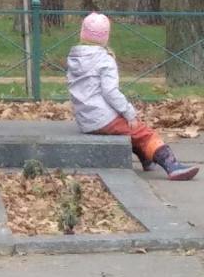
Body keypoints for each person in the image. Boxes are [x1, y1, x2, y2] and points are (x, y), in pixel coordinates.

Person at [67, 12, 198, 180]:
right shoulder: (104, 59)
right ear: (106, 37)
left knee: (129, 130)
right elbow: (110, 92)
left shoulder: (74, 57)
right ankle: (172, 165)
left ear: (81, 33)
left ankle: (147, 160)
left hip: (85, 118)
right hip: (103, 117)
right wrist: (128, 111)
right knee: (143, 132)